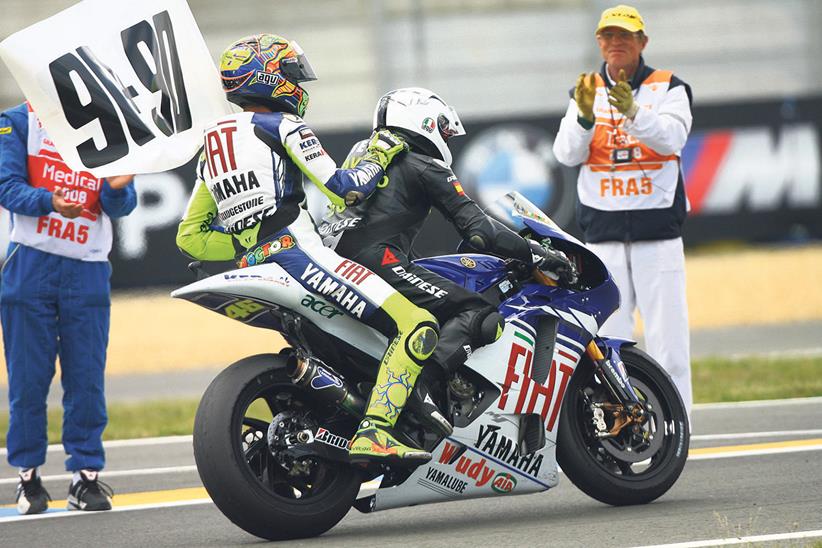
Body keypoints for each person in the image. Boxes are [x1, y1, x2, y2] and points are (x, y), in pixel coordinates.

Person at [175, 34, 440, 466]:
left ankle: (351, 410)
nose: (300, 86)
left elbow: (192, 238)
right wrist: (379, 153)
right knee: (416, 324)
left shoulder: (212, 144)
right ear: (268, 79)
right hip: (301, 257)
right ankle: (376, 432)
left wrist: (253, 243)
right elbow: (345, 191)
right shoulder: (283, 126)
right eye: (293, 76)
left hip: (255, 264)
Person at [319, 87, 577, 433]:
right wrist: (539, 255)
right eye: (442, 128)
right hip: (374, 261)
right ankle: (417, 393)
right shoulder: (421, 163)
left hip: (329, 262)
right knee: (478, 314)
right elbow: (480, 230)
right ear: (421, 120)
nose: (446, 138)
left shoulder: (361, 155)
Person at [552, 4, 694, 417]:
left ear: (642, 43)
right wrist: (582, 117)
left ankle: (678, 429)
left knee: (670, 344)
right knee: (609, 342)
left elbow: (671, 140)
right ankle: (616, 425)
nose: (616, 43)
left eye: (625, 37)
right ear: (599, 41)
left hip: (658, 234)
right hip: (604, 236)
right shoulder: (585, 89)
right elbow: (565, 153)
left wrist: (633, 111)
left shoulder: (670, 87)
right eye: (608, 36)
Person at [0, 102, 136, 514]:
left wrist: (115, 189)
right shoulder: (16, 122)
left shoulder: (108, 126)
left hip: (89, 266)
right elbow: (6, 186)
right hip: (30, 264)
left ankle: (85, 477)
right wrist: (51, 202)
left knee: (87, 378)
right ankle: (28, 478)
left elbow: (122, 205)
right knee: (28, 379)